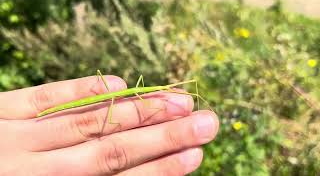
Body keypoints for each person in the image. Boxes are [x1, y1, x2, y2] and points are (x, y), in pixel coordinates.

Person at [0, 75, 219, 175]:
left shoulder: (142, 90)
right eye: (166, 88)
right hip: (91, 102)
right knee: (112, 115)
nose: (167, 89)